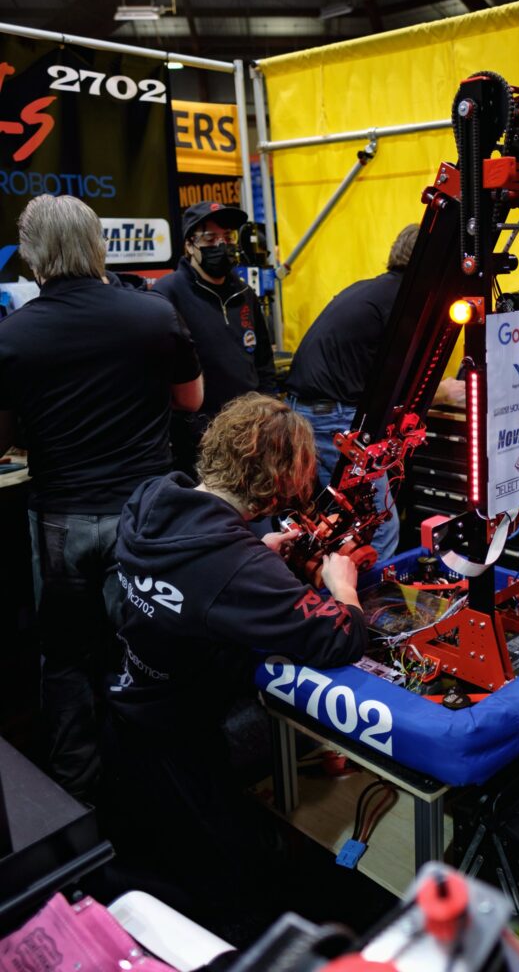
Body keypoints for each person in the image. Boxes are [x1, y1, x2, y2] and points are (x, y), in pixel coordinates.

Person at [102, 392, 367, 902]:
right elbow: (342, 637)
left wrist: (251, 553)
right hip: (175, 740)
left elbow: (195, 579)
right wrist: (344, 587)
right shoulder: (237, 567)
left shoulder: (153, 496)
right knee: (235, 884)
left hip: (123, 710)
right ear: (281, 483)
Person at [0, 194, 202, 799]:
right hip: (142, 514)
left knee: (64, 657)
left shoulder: (14, 334)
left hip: (60, 518)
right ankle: (155, 782)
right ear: (99, 246)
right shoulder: (153, 314)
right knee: (146, 648)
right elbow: (190, 400)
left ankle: (75, 790)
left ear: (32, 255)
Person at [285, 223, 465, 560]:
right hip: (332, 419)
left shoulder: (373, 290)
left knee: (337, 520)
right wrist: (443, 393)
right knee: (377, 525)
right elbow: (402, 380)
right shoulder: (406, 302)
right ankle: (366, 593)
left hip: (313, 412)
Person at [154, 200, 278, 476]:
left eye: (228, 238)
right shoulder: (167, 294)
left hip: (250, 433)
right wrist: (188, 427)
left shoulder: (244, 293)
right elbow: (160, 374)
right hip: (198, 439)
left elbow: (263, 362)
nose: (222, 245)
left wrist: (268, 412)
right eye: (210, 239)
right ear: (190, 245)